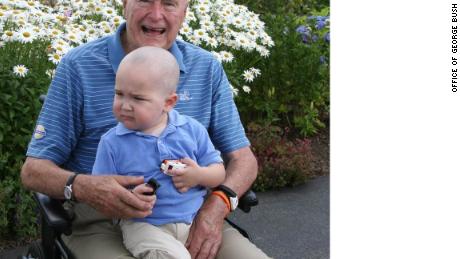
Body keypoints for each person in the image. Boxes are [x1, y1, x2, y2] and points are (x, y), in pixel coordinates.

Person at [21, 0, 270, 258]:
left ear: (185, 12)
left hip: (191, 213)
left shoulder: (206, 68)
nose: (156, 15)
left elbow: (243, 160)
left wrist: (218, 206)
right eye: (144, 0)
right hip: (102, 221)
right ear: (124, 4)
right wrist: (84, 186)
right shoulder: (79, 66)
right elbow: (33, 171)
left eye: (170, 3)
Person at [92, 46, 225, 259]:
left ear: (168, 103)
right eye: (119, 94)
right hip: (145, 226)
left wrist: (198, 175)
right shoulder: (112, 142)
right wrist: (127, 197)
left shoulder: (191, 130)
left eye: (138, 98)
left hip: (194, 220)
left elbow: (219, 172)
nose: (125, 105)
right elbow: (101, 192)